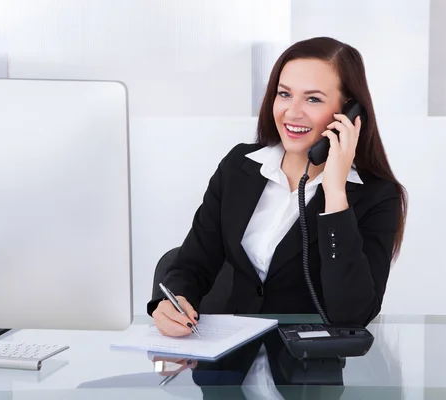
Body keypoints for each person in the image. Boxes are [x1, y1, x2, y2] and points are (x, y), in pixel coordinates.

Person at [147, 36, 408, 337]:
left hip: (309, 373)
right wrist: (173, 300)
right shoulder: (239, 167)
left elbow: (353, 315)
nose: (293, 112)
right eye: (284, 94)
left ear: (349, 113)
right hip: (229, 364)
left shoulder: (377, 196)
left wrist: (335, 194)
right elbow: (192, 263)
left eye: (313, 99)